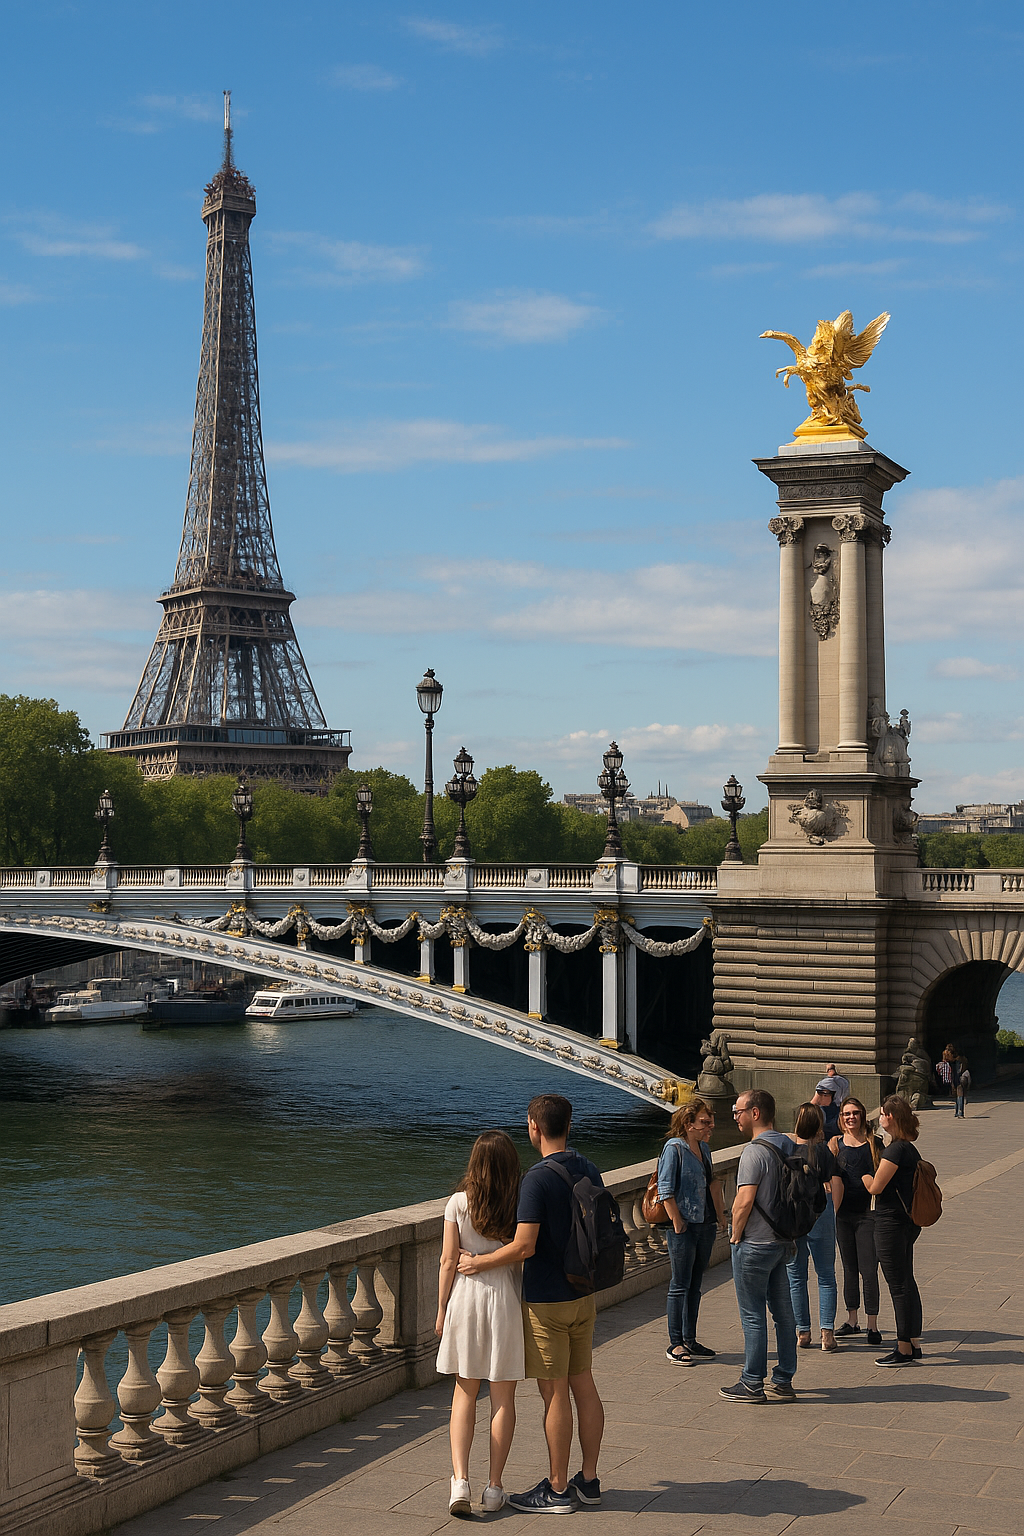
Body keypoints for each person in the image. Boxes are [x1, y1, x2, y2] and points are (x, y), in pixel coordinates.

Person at [457, 1093, 605, 1514]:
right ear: (569, 1125)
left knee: (554, 1391)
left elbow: (524, 1246)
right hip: (583, 1294)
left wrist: (479, 1262)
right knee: (584, 1383)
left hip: (547, 1301)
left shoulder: (536, 1179)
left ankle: (557, 1489)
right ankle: (588, 1479)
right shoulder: (588, 1167)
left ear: (534, 1128)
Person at [436, 1130, 525, 1517]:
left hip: (466, 1297)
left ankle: (460, 1481)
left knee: (464, 1393)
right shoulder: (518, 1202)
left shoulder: (457, 1203)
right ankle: (494, 1487)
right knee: (503, 1398)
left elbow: (446, 1261)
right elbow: (523, 1253)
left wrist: (440, 1309)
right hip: (503, 1297)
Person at [720, 1088, 799, 1405]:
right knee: (784, 1314)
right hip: (783, 1242)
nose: (735, 1117)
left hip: (755, 1244)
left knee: (752, 1315)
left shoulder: (753, 1152)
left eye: (738, 1110)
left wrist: (734, 1235)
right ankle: (784, 1379)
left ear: (755, 1113)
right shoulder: (787, 1144)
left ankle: (752, 1382)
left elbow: (744, 1201)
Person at [656, 1096, 727, 1365]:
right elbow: (665, 1190)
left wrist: (720, 1216)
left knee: (695, 1286)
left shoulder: (704, 1150)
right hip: (684, 1226)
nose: (710, 1127)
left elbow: (711, 1183)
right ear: (688, 1123)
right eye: (705, 1122)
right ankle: (675, 1343)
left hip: (704, 1224)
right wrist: (677, 1222)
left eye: (711, 1122)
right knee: (679, 1285)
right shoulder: (674, 1149)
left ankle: (690, 1339)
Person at [862, 1095, 923, 1366]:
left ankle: (903, 1348)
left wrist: (865, 1176)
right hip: (906, 1222)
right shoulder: (909, 1148)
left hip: (890, 1224)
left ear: (892, 1118)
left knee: (898, 1285)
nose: (880, 1118)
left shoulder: (896, 1150)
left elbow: (876, 1187)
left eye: (884, 1114)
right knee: (907, 1282)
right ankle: (912, 1342)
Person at [786, 1103, 842, 1352]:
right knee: (826, 1276)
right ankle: (827, 1333)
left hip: (795, 1216)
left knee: (796, 1276)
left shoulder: (787, 1150)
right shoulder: (823, 1151)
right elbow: (833, 1182)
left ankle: (802, 1331)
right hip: (821, 1211)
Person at [829, 1097, 883, 1347]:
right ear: (841, 1117)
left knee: (868, 1269)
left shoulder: (874, 1144)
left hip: (867, 1214)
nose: (851, 1117)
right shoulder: (835, 1145)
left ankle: (872, 1324)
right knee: (849, 1268)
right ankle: (852, 1320)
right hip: (842, 1215)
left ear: (862, 1115)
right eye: (846, 1113)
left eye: (855, 1113)